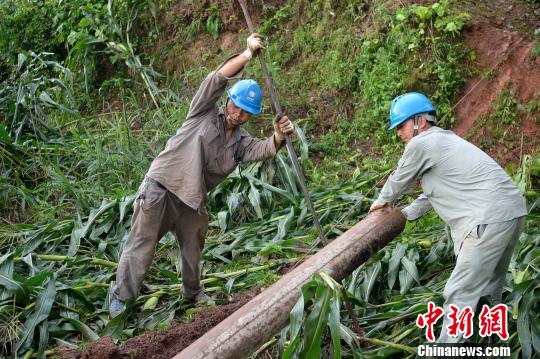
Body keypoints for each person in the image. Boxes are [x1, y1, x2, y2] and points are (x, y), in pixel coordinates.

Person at [109, 33, 295, 317]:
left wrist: (280, 135)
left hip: (192, 199)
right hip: (162, 186)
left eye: (246, 112)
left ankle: (193, 293)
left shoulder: (241, 143)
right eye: (236, 106)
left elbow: (264, 150)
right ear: (228, 101)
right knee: (142, 243)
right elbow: (217, 78)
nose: (238, 114)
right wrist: (247, 54)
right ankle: (121, 297)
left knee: (193, 247)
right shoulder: (203, 112)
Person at [369, 92, 527, 343]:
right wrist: (404, 215)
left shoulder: (421, 144)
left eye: (400, 126)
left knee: (459, 293)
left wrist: (380, 204)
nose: (398, 133)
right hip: (512, 212)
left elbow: (398, 180)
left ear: (419, 121)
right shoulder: (444, 143)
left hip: (487, 219)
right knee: (489, 286)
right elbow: (435, 195)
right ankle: (489, 340)